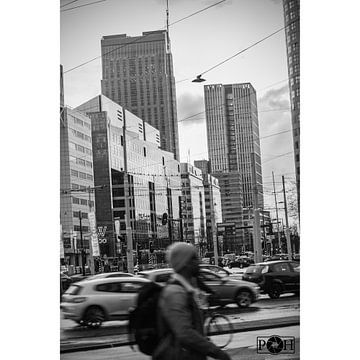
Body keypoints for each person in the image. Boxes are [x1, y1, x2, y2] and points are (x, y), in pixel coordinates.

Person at [153, 242, 231, 360]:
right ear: (185, 263)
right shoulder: (175, 292)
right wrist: (217, 352)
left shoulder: (185, 289)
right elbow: (184, 333)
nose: (198, 262)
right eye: (194, 258)